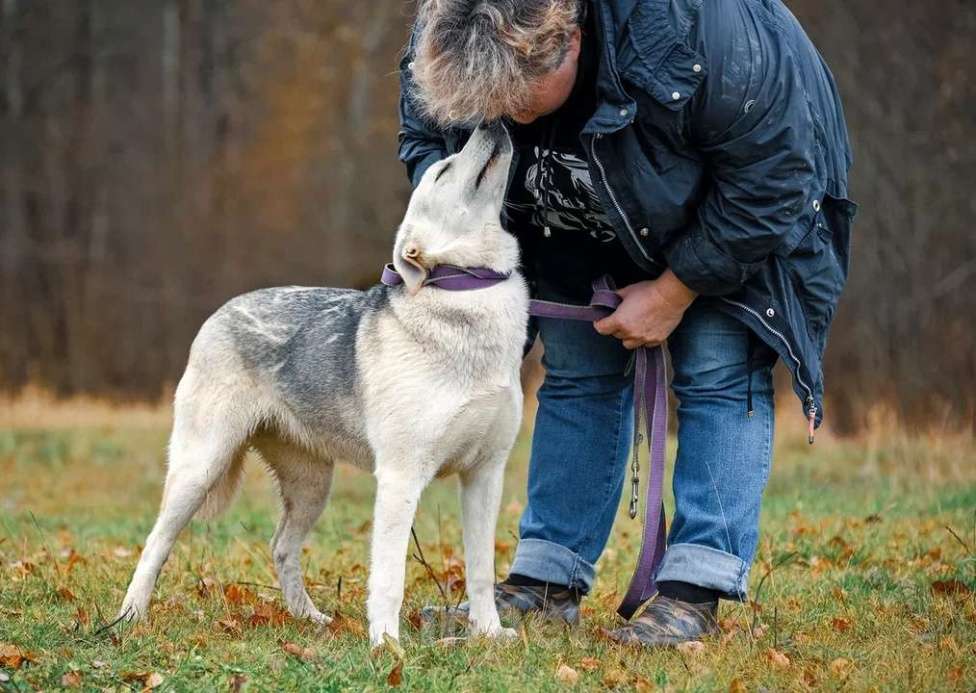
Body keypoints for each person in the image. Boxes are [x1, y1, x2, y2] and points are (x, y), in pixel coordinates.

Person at [398, 0, 855, 646]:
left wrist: (675, 291)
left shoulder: (693, 33)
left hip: (736, 193)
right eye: (488, 102)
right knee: (579, 365)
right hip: (576, 202)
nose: (504, 116)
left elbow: (777, 175)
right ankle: (547, 580)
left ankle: (693, 593)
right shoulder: (451, 30)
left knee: (717, 362)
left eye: (518, 97)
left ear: (569, 41)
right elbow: (426, 142)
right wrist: (457, 207)